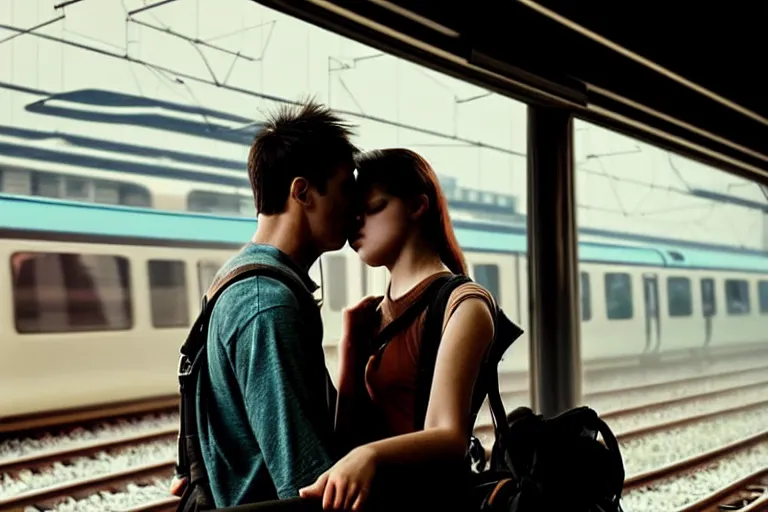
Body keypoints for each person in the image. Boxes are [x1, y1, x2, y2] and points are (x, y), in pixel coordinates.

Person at [177, 101, 359, 507]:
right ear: (302, 192)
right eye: (347, 187)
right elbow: (307, 484)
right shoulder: (267, 305)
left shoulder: (238, 277)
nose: (356, 205)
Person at [299, 148, 497, 511]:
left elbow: (449, 435)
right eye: (353, 211)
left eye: (372, 208)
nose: (355, 222)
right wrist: (350, 350)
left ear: (417, 206)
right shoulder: (371, 315)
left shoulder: (463, 304)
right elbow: (346, 438)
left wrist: (369, 456)